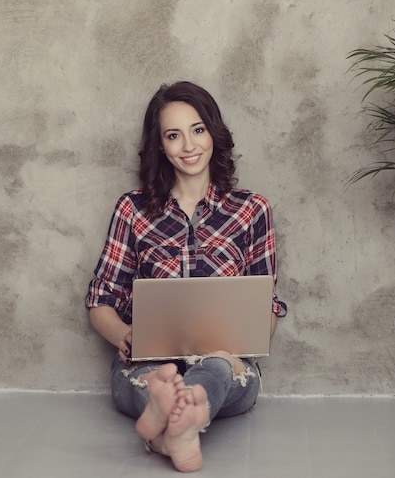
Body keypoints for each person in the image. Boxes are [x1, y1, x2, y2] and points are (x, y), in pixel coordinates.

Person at [85, 81, 285, 473]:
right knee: (149, 380)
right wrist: (122, 335)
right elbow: (101, 301)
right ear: (160, 145)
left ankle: (168, 425)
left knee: (217, 368)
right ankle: (177, 425)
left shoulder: (252, 210)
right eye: (173, 135)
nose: (189, 146)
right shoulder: (133, 209)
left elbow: (268, 308)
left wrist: (241, 339)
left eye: (197, 130)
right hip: (146, 364)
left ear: (213, 132)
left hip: (228, 364)